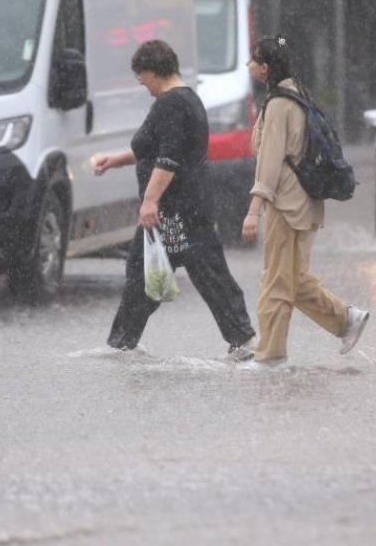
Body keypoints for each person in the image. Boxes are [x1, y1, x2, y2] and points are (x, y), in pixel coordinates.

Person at [92, 39, 257, 359]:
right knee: (150, 275)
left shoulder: (170, 104)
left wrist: (150, 201)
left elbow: (168, 159)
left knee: (203, 273)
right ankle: (123, 344)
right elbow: (150, 149)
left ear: (155, 71)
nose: (144, 86)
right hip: (179, 210)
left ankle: (244, 340)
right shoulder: (188, 99)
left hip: (175, 211)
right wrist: (116, 160)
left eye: (144, 79)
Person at [241, 35, 369, 364]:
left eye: (253, 60)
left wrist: (253, 211)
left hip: (287, 204)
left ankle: (270, 356)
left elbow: (268, 164)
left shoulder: (279, 104)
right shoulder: (296, 93)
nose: (248, 65)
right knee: (292, 279)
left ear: (265, 68)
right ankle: (346, 319)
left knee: (275, 283)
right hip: (306, 202)